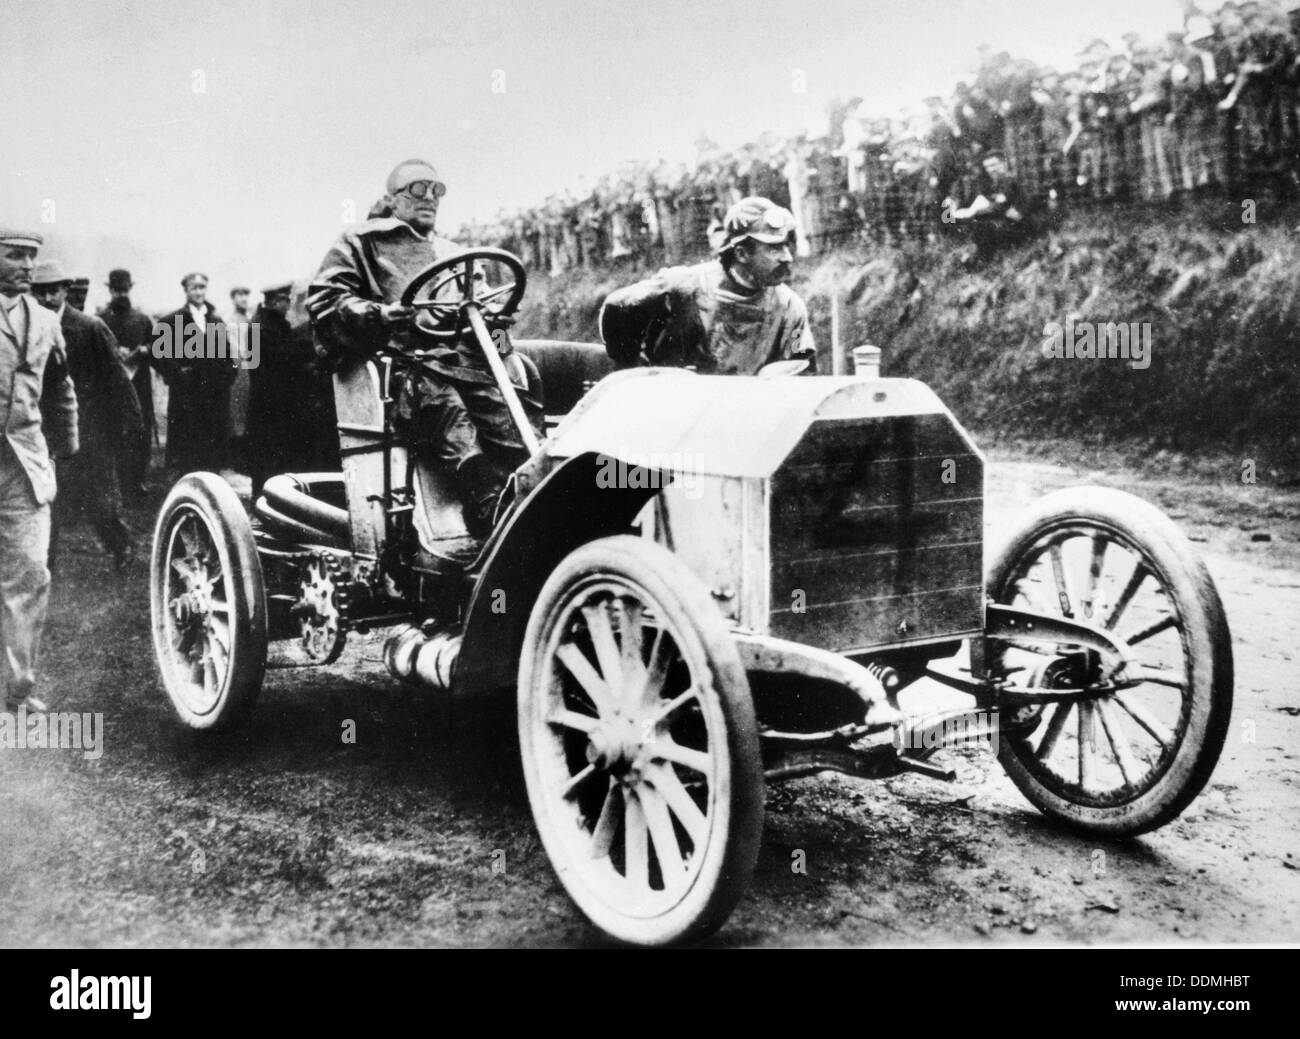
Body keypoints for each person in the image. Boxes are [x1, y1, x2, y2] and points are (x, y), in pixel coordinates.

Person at [308, 158, 543, 538]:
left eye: (437, 190)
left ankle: (537, 490)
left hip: (461, 360)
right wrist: (380, 314)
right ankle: (485, 502)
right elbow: (326, 301)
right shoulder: (362, 240)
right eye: (418, 189)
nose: (429, 197)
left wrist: (496, 321)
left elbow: (484, 314)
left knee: (509, 403)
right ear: (393, 199)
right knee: (443, 401)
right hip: (400, 364)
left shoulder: (453, 252)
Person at [598, 196, 816, 375]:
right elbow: (617, 307)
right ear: (741, 253)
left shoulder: (788, 306)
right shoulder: (684, 288)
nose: (787, 257)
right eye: (774, 249)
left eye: (786, 247)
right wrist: (634, 368)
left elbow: (801, 367)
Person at [0, 230, 78, 714]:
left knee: (30, 575)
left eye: (31, 256)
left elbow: (60, 387)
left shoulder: (47, 321)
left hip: (24, 468)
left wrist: (64, 450)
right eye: (15, 255)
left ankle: (17, 690)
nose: (27, 265)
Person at [30, 260, 141, 570]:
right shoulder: (29, 328)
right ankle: (44, 566)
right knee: (46, 502)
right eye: (40, 292)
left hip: (91, 430)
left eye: (54, 291)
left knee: (100, 503)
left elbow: (116, 377)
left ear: (65, 290)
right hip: (45, 428)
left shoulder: (90, 327)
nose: (48, 299)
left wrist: (130, 422)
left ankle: (121, 547)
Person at [246, 282, 325, 495]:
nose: (288, 304)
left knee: (275, 457)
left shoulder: (273, 323)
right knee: (267, 459)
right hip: (269, 404)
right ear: (273, 301)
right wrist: (309, 361)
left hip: (275, 404)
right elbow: (282, 359)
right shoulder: (262, 327)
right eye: (285, 300)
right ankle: (263, 501)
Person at [154, 272, 237, 474]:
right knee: (188, 455)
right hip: (186, 398)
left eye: (202, 288)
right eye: (194, 288)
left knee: (212, 455)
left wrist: (227, 375)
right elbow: (159, 355)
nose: (198, 292)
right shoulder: (172, 321)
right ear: (186, 291)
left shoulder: (216, 320)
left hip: (214, 397)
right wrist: (178, 372)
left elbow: (227, 354)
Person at [99, 268, 156, 497]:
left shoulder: (142, 319)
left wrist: (145, 349)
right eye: (117, 290)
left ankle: (138, 481)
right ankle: (120, 483)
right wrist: (114, 352)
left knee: (140, 431)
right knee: (115, 434)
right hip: (112, 388)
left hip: (139, 384)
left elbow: (158, 348)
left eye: (124, 290)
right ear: (110, 290)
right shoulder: (101, 320)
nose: (121, 294)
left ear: (130, 289)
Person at [226, 285, 254, 471]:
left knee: (248, 411)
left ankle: (246, 459)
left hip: (252, 371)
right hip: (238, 372)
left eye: (246, 294)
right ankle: (236, 461)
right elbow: (235, 350)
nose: (243, 298)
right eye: (239, 295)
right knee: (236, 413)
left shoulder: (250, 319)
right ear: (233, 298)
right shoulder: (231, 322)